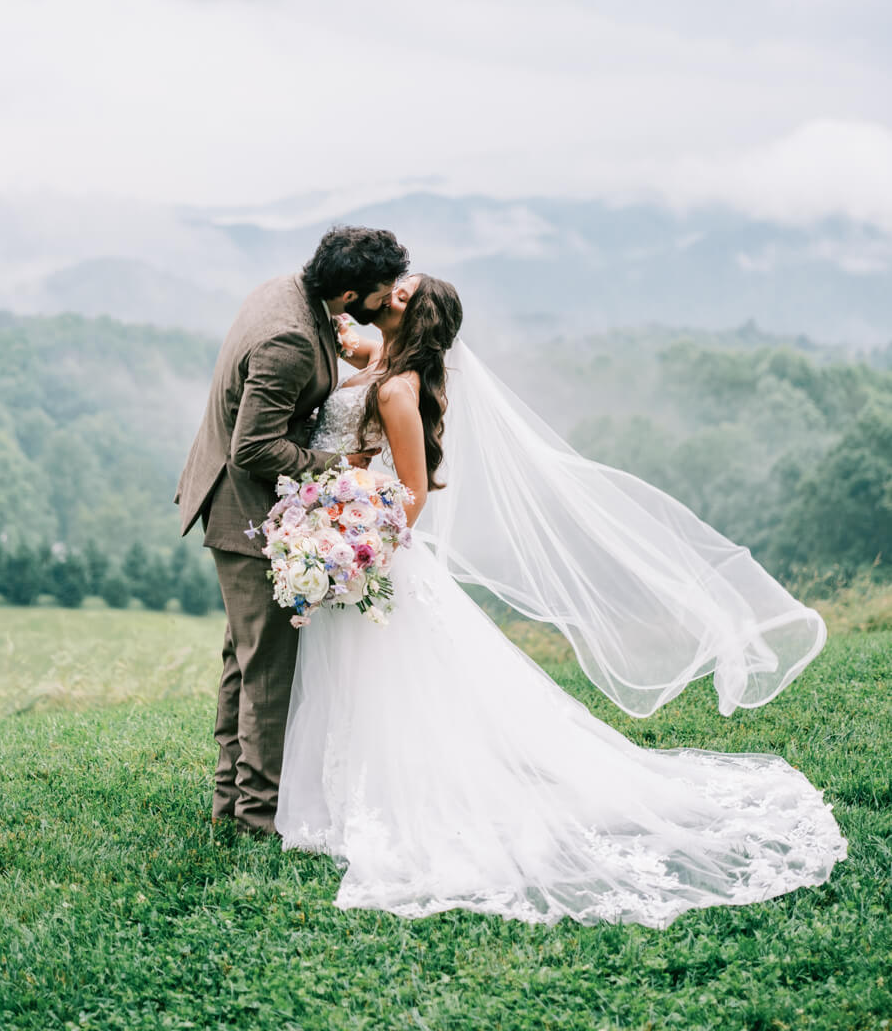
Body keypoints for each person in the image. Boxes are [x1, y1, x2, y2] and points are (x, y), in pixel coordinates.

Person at [275, 275, 847, 926]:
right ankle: (345, 794)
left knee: (393, 684)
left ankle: (396, 800)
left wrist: (346, 517)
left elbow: (411, 494)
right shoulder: (381, 367)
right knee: (361, 679)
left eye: (400, 295)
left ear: (414, 322)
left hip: (369, 549)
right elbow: (359, 407)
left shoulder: (401, 391)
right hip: (345, 542)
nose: (388, 294)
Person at [174, 226, 409, 837]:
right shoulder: (289, 337)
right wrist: (340, 471)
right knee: (269, 672)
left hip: (244, 505)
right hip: (247, 512)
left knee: (245, 662)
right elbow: (254, 447)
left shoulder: (289, 292)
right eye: (382, 292)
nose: (388, 301)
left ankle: (232, 800)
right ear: (353, 291)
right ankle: (255, 818)